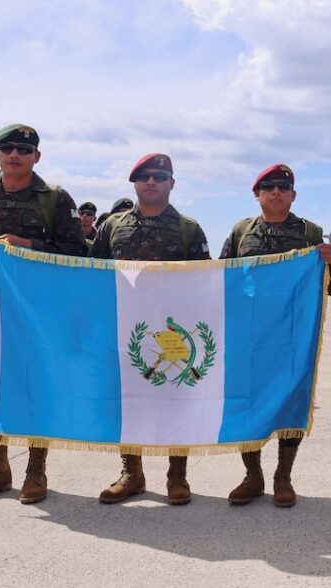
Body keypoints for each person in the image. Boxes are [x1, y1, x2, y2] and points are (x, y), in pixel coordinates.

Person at [0, 124, 87, 505]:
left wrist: (30, 245)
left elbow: (77, 253)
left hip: (37, 317)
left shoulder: (54, 200)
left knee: (37, 389)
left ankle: (35, 470)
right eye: (6, 148)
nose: (14, 155)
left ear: (36, 156)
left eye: (23, 149)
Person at [219, 163, 331, 506]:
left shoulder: (309, 231)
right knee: (247, 402)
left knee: (290, 402)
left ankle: (283, 477)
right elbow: (222, 278)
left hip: (292, 336)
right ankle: (252, 475)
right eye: (269, 186)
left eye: (282, 187)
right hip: (248, 336)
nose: (275, 192)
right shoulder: (241, 231)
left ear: (293, 195)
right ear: (257, 194)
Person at [91, 153, 211, 506]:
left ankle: (177, 475)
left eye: (159, 176)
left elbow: (204, 280)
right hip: (125, 327)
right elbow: (93, 273)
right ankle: (132, 473)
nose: (151, 181)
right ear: (135, 183)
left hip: (172, 330)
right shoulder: (113, 226)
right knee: (128, 399)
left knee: (176, 399)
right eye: (144, 176)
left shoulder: (189, 228)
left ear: (172, 183)